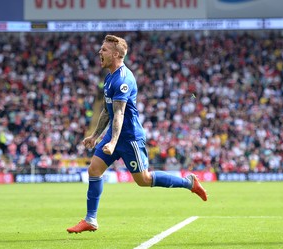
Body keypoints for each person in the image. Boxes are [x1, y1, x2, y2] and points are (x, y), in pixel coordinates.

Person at [67, 34, 207, 234]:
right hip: (113, 137)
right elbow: (107, 111)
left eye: (104, 50)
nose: (100, 52)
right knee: (94, 170)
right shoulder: (109, 78)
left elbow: (120, 113)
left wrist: (114, 141)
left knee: (143, 180)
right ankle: (91, 219)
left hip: (130, 137)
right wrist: (96, 136)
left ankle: (189, 183)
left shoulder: (124, 79)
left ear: (116, 54)